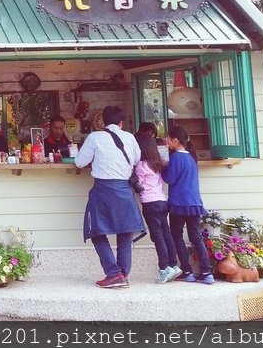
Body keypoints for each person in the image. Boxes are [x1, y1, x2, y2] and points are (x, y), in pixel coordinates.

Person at [74, 104, 145, 289]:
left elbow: (80, 162)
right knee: (125, 233)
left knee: (96, 232)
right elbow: (137, 159)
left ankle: (114, 274)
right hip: (124, 190)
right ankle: (122, 274)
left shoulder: (95, 137)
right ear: (121, 123)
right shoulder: (129, 137)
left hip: (104, 190)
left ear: (103, 122)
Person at [162, 125, 214, 284]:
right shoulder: (192, 157)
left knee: (176, 234)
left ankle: (187, 270)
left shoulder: (176, 158)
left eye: (169, 139)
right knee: (196, 236)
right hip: (194, 202)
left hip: (179, 203)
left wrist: (163, 166)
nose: (167, 142)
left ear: (176, 140)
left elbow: (169, 179)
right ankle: (206, 272)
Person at [134, 132, 181, 283]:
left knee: (157, 236)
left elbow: (139, 185)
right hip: (162, 200)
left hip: (150, 203)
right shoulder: (158, 164)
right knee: (166, 233)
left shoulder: (141, 165)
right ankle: (174, 265)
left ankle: (164, 268)